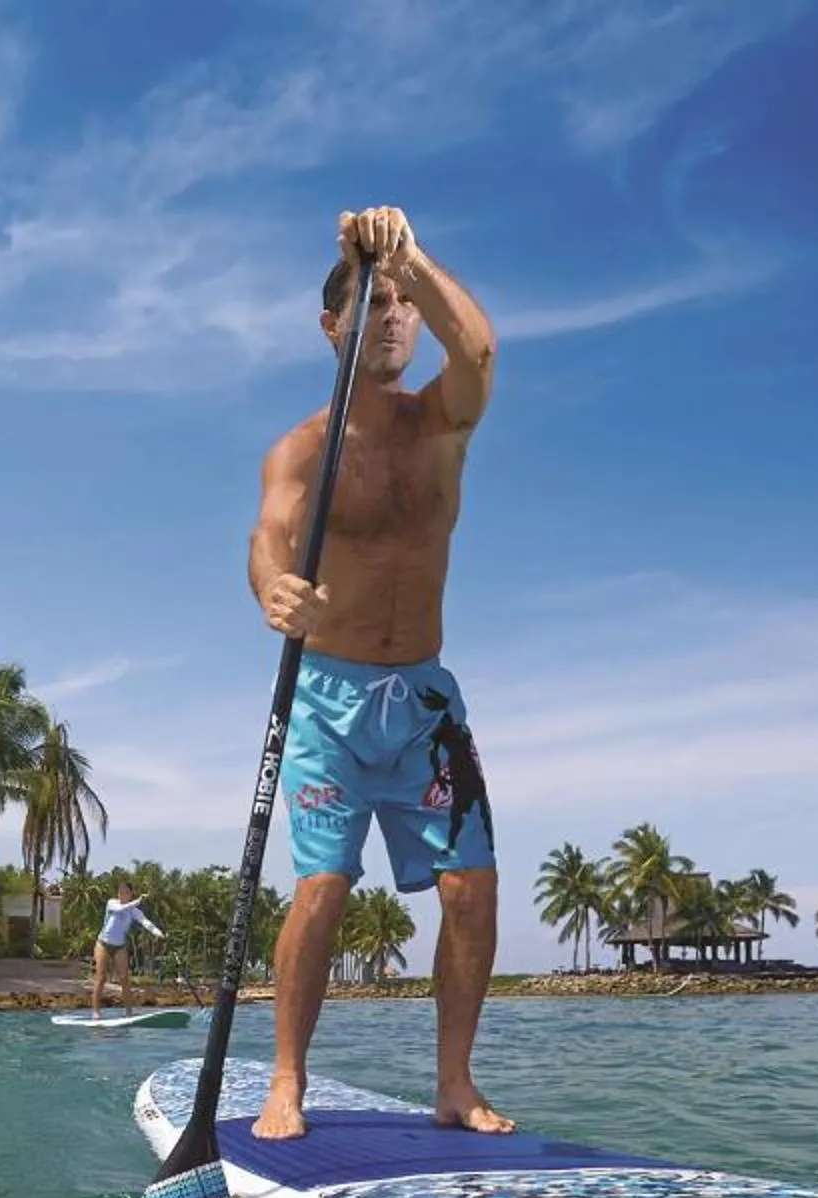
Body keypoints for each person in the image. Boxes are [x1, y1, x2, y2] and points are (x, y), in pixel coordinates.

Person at [249, 205, 509, 1140]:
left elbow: (477, 355)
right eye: (375, 302)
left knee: (471, 888)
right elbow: (268, 541)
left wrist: (410, 256)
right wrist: (277, 590)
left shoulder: (442, 423)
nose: (395, 316)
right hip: (327, 702)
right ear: (333, 325)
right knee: (321, 889)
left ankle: (453, 1081)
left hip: (427, 702)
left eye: (404, 304)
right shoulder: (303, 450)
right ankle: (286, 1079)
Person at [89, 882, 164, 1015]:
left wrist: (159, 933)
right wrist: (138, 901)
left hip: (120, 946)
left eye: (126, 892)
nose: (123, 895)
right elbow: (120, 910)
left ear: (130, 894)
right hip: (103, 944)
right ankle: (96, 1013)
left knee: (124, 978)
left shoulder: (134, 911)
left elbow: (146, 923)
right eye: (120, 892)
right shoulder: (112, 903)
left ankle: (129, 1012)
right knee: (101, 978)